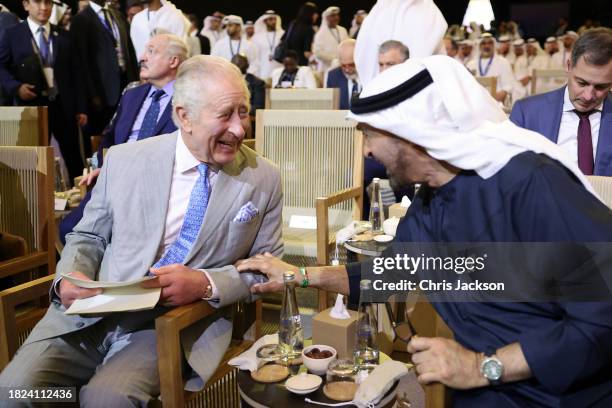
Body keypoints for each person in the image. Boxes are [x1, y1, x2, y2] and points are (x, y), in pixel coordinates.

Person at [237, 55, 612, 407]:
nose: (366, 151)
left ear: (410, 134)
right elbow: (388, 275)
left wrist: (482, 366)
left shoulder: (530, 183)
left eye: (369, 134)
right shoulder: (431, 200)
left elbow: (600, 317)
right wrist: (300, 276)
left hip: (557, 394)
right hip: (480, 388)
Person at [0, 55, 283, 406]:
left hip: (166, 325)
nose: (240, 129)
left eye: (244, 111)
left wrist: (206, 283)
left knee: (105, 400)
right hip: (87, 315)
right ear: (184, 116)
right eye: (225, 115)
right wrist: (71, 276)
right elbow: (87, 236)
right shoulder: (124, 158)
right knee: (14, 393)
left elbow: (268, 269)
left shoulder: (263, 177)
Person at [58, 33, 188, 244]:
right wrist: (105, 165)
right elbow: (108, 139)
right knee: (68, 229)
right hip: (111, 179)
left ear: (173, 61)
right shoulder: (132, 95)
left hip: (154, 189)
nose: (142, 57)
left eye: (152, 51)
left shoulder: (188, 100)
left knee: (118, 241)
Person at [0, 0, 87, 180]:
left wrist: (81, 107)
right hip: (32, 107)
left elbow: (77, 73)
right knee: (35, 160)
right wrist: (16, 87)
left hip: (64, 106)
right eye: (37, 2)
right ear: (25, 5)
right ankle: (38, 203)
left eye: (48, 3)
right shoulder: (12, 34)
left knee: (74, 158)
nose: (43, 7)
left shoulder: (64, 35)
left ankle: (82, 201)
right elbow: (1, 67)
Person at [510, 28, 612, 176]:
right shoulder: (526, 114)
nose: (588, 96)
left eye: (601, 87)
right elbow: (509, 178)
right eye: (581, 83)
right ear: (569, 66)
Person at [71, 0, 139, 146]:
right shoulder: (80, 20)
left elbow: (130, 51)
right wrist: (93, 94)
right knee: (103, 141)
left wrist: (136, 80)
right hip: (101, 92)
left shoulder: (118, 15)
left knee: (126, 135)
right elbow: (81, 62)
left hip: (126, 84)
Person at [354, 0, 447, 86]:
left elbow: (426, 61)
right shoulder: (379, 10)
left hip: (416, 89)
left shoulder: (429, 13)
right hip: (378, 89)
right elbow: (364, 57)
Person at [467, 33, 515, 103]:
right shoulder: (471, 65)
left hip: (496, 103)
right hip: (475, 102)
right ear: (479, 46)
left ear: (494, 45)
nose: (487, 46)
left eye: (490, 43)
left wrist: (491, 101)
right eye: (483, 43)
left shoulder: (503, 62)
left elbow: (508, 87)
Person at [325, 39, 360, 110]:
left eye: (351, 65)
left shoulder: (371, 75)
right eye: (343, 65)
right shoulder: (333, 76)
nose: (347, 69)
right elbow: (331, 108)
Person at [313, 6, 348, 73]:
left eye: (337, 15)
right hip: (326, 69)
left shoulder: (343, 30)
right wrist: (334, 59)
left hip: (343, 67)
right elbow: (318, 53)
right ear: (326, 18)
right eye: (333, 16)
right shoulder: (320, 34)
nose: (336, 18)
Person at [251, 10, 283, 81]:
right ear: (265, 21)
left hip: (280, 70)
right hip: (263, 72)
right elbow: (255, 57)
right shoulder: (257, 37)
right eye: (271, 19)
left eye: (275, 19)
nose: (274, 22)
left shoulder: (282, 35)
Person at [282, 2, 318, 66]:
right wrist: (317, 62)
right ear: (309, 14)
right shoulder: (308, 29)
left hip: (288, 63)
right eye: (315, 13)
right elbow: (306, 53)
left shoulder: (292, 24)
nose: (317, 16)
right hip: (300, 65)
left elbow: (283, 39)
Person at [231, 54, 265, 118]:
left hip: (249, 119)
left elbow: (258, 108)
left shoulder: (257, 83)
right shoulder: (226, 81)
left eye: (240, 63)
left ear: (247, 65)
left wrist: (237, 109)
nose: (238, 66)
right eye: (235, 64)